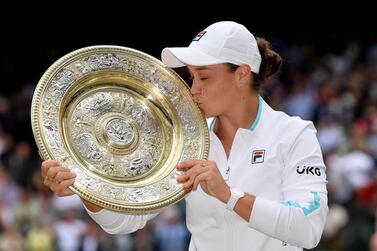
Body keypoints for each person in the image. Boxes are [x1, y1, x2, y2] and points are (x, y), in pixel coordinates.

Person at [41, 21, 328, 251]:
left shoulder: (294, 134)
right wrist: (85, 189)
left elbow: (308, 229)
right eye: (192, 77)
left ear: (241, 74)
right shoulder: (188, 139)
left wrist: (228, 195)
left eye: (204, 77)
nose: (193, 90)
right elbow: (126, 221)